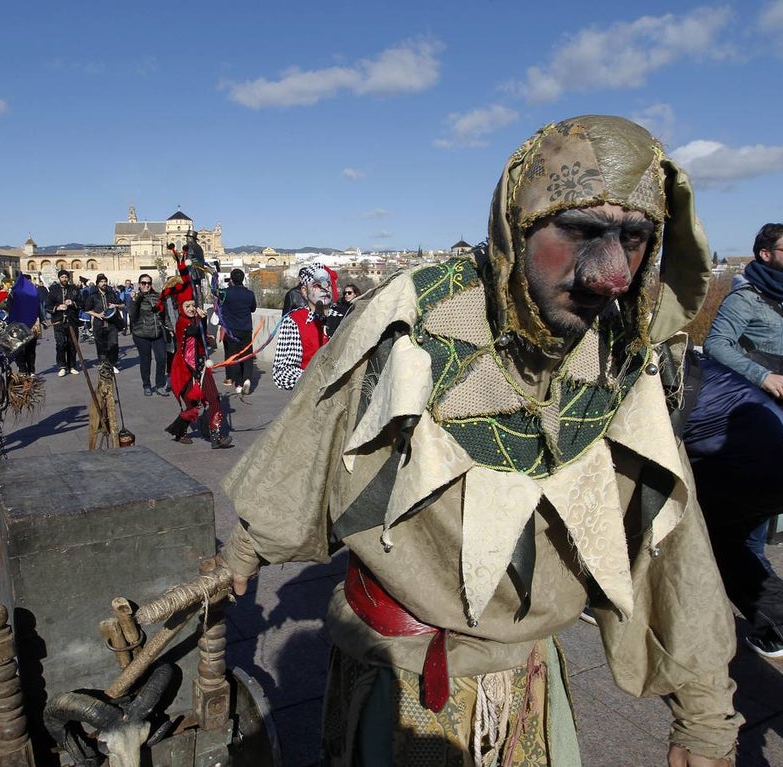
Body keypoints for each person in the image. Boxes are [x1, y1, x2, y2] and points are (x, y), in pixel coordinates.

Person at [218, 115, 740, 766]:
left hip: (517, 693)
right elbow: (314, 436)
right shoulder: (413, 319)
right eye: (579, 229)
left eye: (633, 237)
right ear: (520, 224)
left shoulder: (617, 369)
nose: (607, 268)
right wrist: (243, 547)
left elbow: (666, 547)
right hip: (389, 675)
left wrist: (704, 716)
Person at [700, 223, 783, 660]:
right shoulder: (745, 297)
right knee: (744, 529)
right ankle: (762, 610)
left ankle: (757, 609)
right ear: (765, 254)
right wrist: (762, 376)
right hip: (743, 415)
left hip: (780, 419)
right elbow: (715, 344)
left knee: (745, 529)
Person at [164, 299, 232, 449]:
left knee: (214, 399)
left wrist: (208, 336)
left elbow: (200, 336)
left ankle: (216, 436)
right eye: (187, 306)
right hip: (185, 370)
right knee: (191, 405)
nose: (191, 309)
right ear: (180, 308)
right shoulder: (181, 322)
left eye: (193, 305)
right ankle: (179, 431)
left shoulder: (195, 319)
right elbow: (193, 331)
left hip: (202, 367)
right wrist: (202, 319)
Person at [271, 264, 338, 390]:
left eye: (327, 285)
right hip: (309, 398)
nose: (324, 289)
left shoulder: (344, 317)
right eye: (316, 286)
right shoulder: (293, 321)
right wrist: (317, 380)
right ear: (304, 291)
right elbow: (282, 372)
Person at [129, 274, 169, 397]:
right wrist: (135, 301)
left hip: (157, 333)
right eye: (143, 283)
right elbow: (132, 314)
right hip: (141, 334)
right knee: (145, 360)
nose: (146, 285)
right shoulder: (136, 298)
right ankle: (146, 385)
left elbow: (164, 314)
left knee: (162, 358)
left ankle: (160, 385)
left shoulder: (157, 296)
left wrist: (169, 328)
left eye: (148, 283)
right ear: (139, 284)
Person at [219, 268, 257, 394]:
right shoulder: (250, 294)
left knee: (234, 357)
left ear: (231, 280)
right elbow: (253, 309)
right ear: (243, 279)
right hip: (246, 329)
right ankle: (247, 379)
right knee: (247, 355)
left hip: (232, 331)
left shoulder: (225, 293)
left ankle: (239, 384)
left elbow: (219, 303)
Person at [47, 269, 81, 377]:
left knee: (72, 344)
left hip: (72, 321)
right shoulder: (53, 290)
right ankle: (62, 366)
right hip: (58, 321)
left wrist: (72, 303)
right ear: (59, 278)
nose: (64, 279)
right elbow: (47, 306)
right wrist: (57, 307)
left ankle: (72, 366)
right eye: (62, 277)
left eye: (66, 277)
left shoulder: (73, 289)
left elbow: (81, 303)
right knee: (61, 344)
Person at [86, 274, 125, 368]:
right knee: (101, 345)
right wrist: (97, 315)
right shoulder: (93, 296)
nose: (103, 283)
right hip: (99, 324)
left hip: (112, 324)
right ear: (97, 284)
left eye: (104, 281)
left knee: (114, 344)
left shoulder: (112, 294)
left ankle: (113, 363)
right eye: (101, 282)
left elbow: (122, 305)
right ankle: (103, 364)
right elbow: (87, 309)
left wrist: (115, 306)